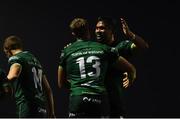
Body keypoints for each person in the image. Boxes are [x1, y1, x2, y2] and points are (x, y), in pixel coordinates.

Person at [58, 17, 136, 118]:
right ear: (88, 31)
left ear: (73, 33)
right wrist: (131, 76)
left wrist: (77, 87)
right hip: (99, 99)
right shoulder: (103, 48)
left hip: (78, 99)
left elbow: (61, 83)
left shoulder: (66, 51)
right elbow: (130, 68)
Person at [95, 16, 149, 117]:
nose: (98, 31)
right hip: (96, 104)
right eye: (97, 28)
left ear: (111, 30)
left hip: (115, 104)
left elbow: (143, 46)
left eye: (102, 28)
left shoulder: (120, 46)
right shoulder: (93, 48)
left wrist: (130, 35)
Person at [2, 35, 55, 118]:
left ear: (7, 49)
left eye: (6, 53)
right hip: (42, 108)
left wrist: (3, 82)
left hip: (27, 106)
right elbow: (48, 89)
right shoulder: (35, 61)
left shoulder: (16, 58)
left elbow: (14, 74)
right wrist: (52, 112)